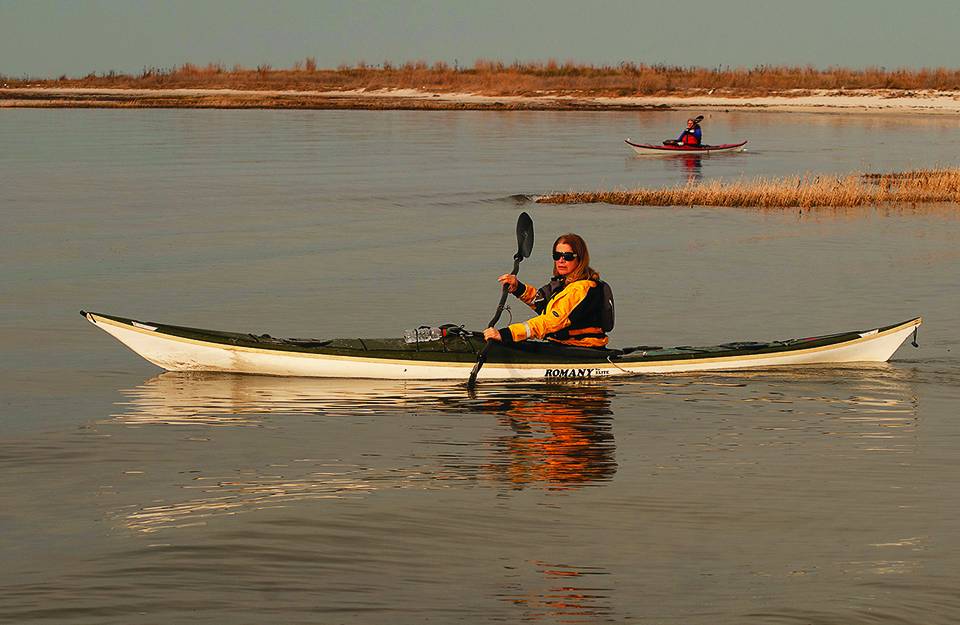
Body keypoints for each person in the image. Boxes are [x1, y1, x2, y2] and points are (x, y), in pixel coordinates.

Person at [482, 233, 613, 348]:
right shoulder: (563, 283)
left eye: (567, 256)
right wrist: (518, 288)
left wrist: (507, 334)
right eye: (557, 255)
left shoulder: (580, 289)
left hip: (581, 347)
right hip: (562, 344)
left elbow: (552, 322)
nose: (561, 261)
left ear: (580, 259)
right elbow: (542, 301)